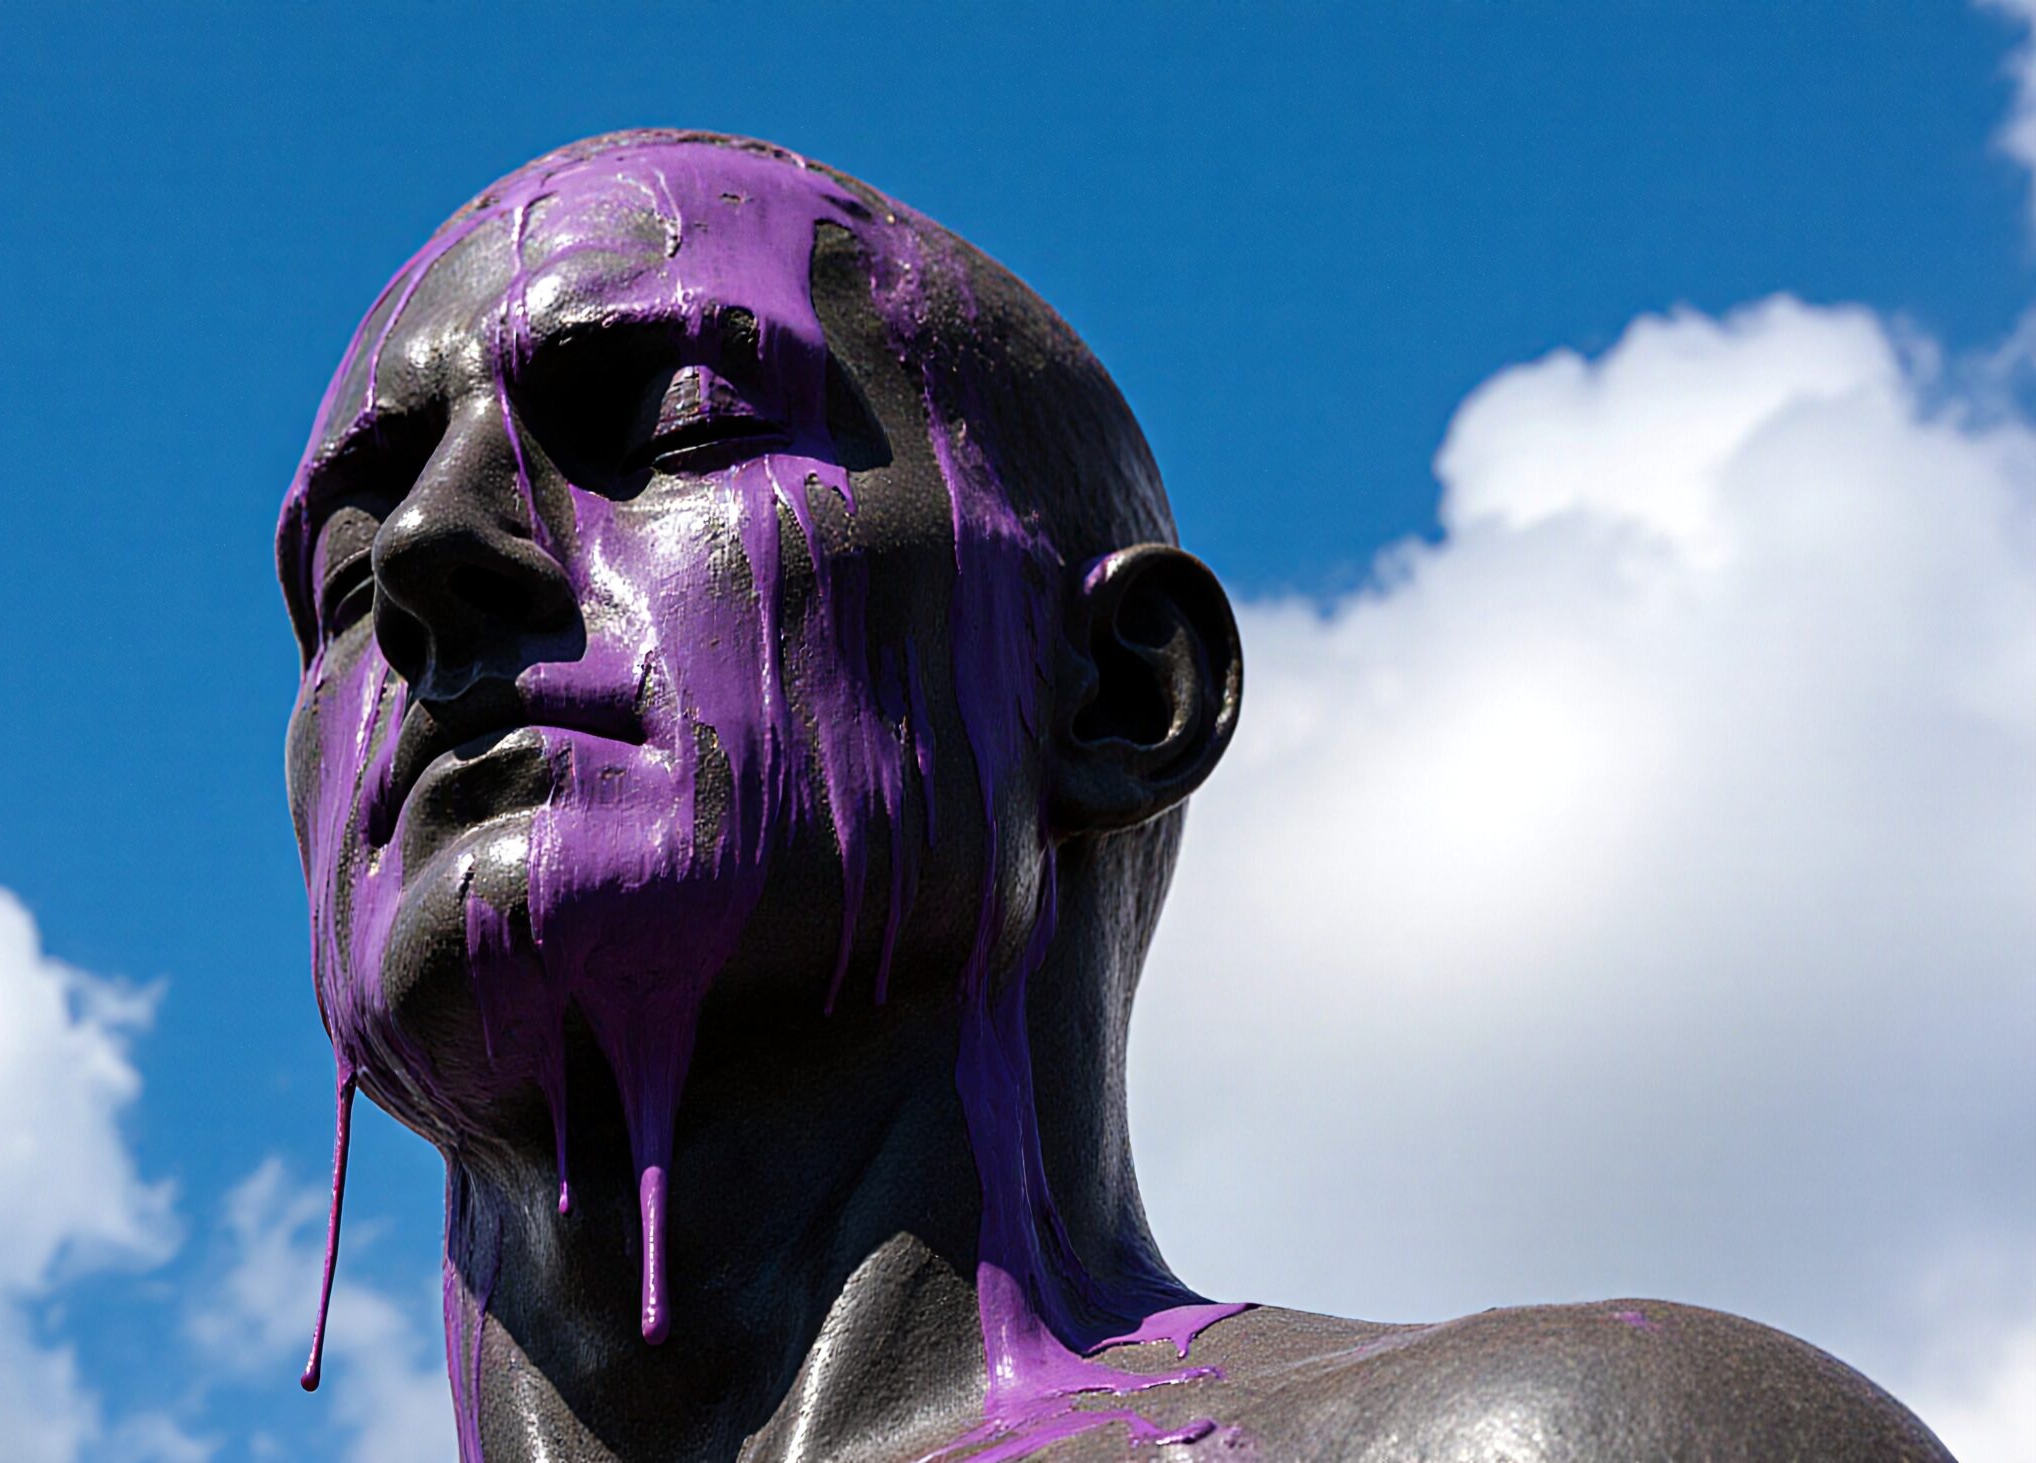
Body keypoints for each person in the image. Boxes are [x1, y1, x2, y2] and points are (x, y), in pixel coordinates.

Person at [272, 130, 1949, 1462]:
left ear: (1123, 693)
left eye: (679, 420)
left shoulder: (1556, 1447)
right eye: (342, 576)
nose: (424, 558)